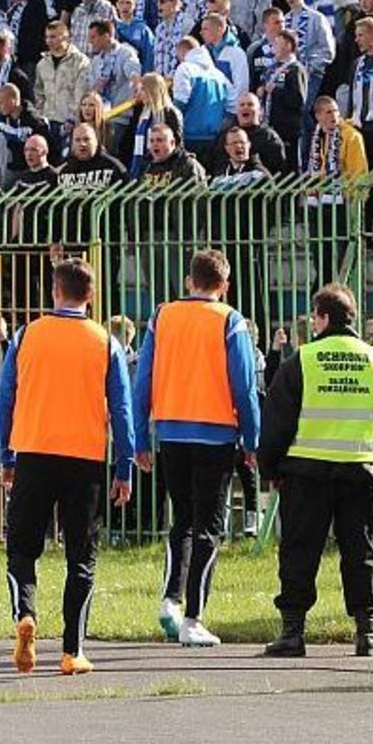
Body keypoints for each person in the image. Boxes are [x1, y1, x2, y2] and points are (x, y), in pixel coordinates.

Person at [0, 256, 135, 675]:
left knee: (22, 549)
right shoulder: (104, 341)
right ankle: (73, 648)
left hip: (34, 451)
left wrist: (6, 455)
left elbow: (6, 399)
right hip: (85, 458)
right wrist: (124, 465)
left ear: (54, 291)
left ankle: (27, 614)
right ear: (90, 296)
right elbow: (123, 408)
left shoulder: (26, 335)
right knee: (82, 555)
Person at [132, 247, 263, 648]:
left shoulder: (162, 316)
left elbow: (143, 380)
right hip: (216, 433)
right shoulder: (231, 321)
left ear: (189, 281)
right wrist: (253, 439)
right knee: (209, 527)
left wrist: (140, 436)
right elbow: (244, 386)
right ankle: (193, 616)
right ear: (224, 285)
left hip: (171, 432)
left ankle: (170, 598)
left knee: (182, 522)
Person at [258, 284, 373, 658]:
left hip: (306, 472)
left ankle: (293, 632)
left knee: (299, 551)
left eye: (314, 316)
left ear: (323, 317)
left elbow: (277, 422)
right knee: (360, 551)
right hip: (360, 471)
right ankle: (367, 633)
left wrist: (270, 467)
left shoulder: (302, 360)